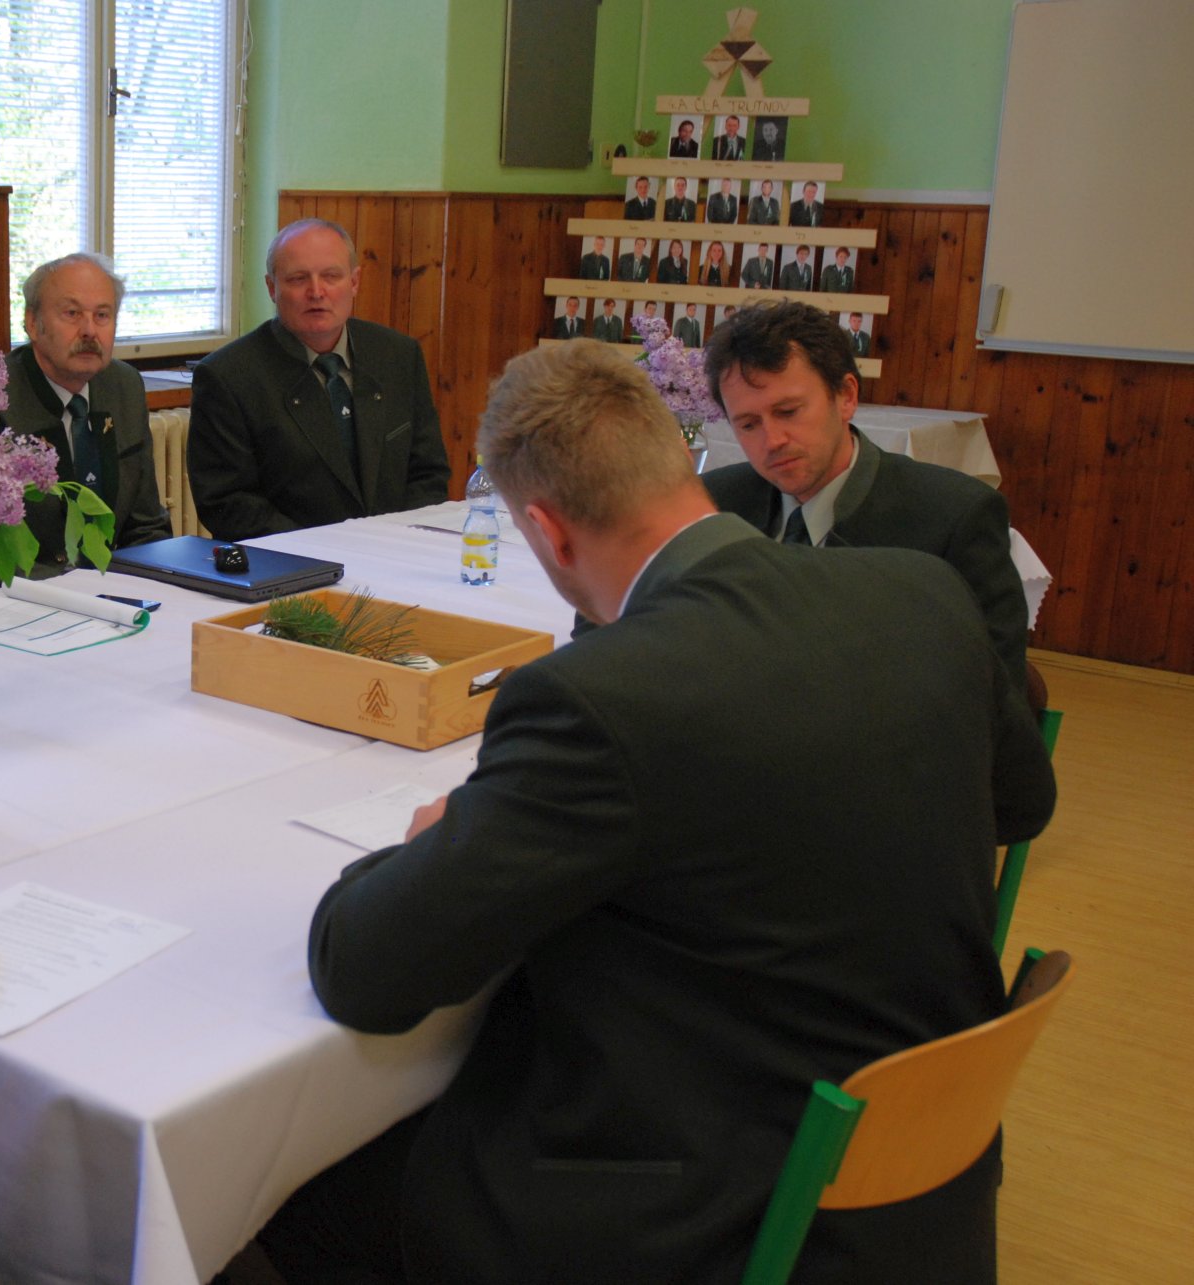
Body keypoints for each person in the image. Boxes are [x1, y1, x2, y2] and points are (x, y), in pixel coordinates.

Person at [254, 338, 1055, 1284]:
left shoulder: (599, 697)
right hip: (925, 1167)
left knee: (284, 1194)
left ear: (547, 531)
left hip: (718, 1207)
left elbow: (363, 969)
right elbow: (1023, 801)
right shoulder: (923, 593)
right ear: (685, 462)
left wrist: (428, 845)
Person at [702, 301, 1028, 687]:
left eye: (788, 411)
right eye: (748, 424)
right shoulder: (713, 504)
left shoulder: (954, 518)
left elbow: (993, 691)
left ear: (846, 397)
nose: (772, 441)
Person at [187, 219, 449, 541]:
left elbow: (428, 474)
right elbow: (227, 503)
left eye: (331, 276)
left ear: (354, 282)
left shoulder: (398, 355)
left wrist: (395, 541)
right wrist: (324, 550)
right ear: (272, 288)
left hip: (397, 549)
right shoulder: (228, 376)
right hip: (291, 559)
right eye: (298, 279)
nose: (316, 292)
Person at [0, 252, 170, 577]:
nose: (89, 331)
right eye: (72, 314)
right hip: (30, 592)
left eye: (102, 315)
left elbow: (147, 526)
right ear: (33, 323)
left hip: (117, 586)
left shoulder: (124, 386)